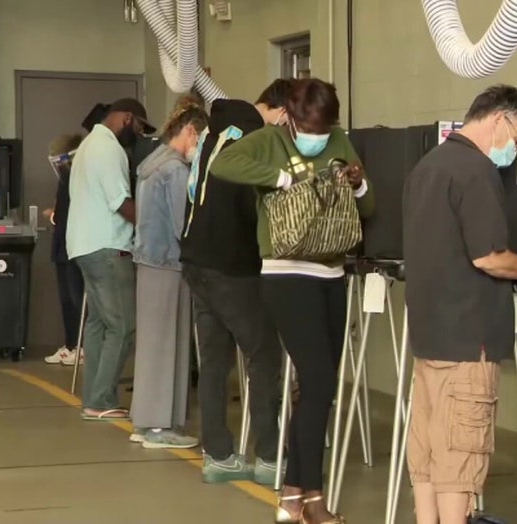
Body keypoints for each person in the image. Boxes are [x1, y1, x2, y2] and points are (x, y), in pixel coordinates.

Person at [209, 78, 374, 524]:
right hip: (286, 275)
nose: (319, 135)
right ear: (292, 117)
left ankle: (295, 496)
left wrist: (357, 186)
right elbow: (224, 166)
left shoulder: (339, 140)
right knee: (317, 381)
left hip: (331, 273)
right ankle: (312, 498)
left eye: (326, 126)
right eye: (310, 125)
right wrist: (280, 177)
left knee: (323, 386)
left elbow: (370, 203)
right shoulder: (270, 140)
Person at [402, 85, 517, 524]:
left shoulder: (427, 167)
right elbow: (489, 257)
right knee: (460, 466)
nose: (514, 152)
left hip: (429, 341)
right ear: (500, 120)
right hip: (468, 347)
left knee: (426, 459)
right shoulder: (476, 172)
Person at [180, 79, 292, 485]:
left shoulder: (214, 131)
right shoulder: (254, 136)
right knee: (264, 356)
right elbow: (252, 204)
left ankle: (219, 455)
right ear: (282, 111)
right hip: (232, 264)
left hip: (196, 259)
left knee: (213, 361)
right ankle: (268, 457)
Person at [67, 98, 156, 421]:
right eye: (140, 128)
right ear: (127, 118)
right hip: (107, 246)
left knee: (98, 325)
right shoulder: (109, 149)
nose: (140, 135)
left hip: (84, 245)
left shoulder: (90, 144)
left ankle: (93, 397)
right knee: (123, 325)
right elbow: (121, 202)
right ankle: (102, 400)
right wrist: (154, 224)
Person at [127, 98, 208, 449]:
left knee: (152, 345)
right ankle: (160, 426)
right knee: (167, 345)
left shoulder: (151, 162)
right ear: (190, 132)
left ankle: (147, 421)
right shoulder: (175, 169)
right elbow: (183, 224)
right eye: (201, 140)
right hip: (168, 264)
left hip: (147, 261)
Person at [42, 134, 86, 366]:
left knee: (77, 299)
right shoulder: (65, 179)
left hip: (73, 246)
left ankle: (82, 346)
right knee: (66, 300)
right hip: (61, 246)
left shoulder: (78, 177)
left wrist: (54, 216)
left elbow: (69, 213)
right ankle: (70, 344)